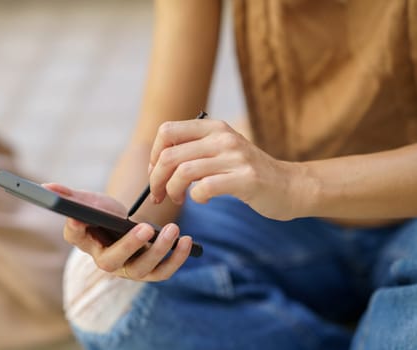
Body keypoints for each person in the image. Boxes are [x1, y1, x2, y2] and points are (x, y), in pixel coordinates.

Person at [44, 1, 417, 349]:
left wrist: (296, 183)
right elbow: (154, 139)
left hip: (401, 209)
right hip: (280, 209)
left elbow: (287, 185)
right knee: (99, 292)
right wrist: (128, 225)